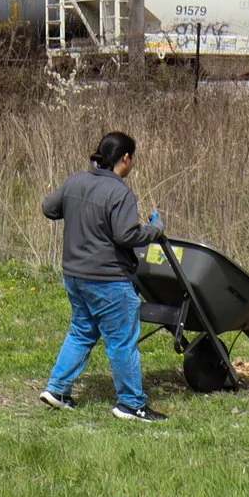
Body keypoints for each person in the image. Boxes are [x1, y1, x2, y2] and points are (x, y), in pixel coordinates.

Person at [39, 130, 166, 422]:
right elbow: (126, 235)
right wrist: (155, 230)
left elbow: (49, 208)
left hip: (74, 275)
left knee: (82, 331)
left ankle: (57, 390)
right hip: (109, 280)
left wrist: (76, 211)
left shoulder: (75, 181)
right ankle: (131, 404)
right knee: (122, 340)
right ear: (125, 158)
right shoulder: (119, 192)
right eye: (133, 158)